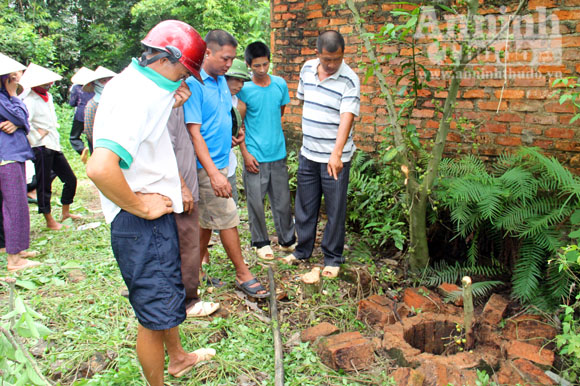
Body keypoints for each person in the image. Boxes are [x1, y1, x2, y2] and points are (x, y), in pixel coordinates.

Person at [86, 20, 215, 385]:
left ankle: (178, 357)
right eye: (183, 72)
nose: (184, 81)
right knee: (153, 312)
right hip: (140, 222)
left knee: (166, 293)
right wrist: (139, 206)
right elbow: (99, 167)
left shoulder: (143, 87)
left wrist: (168, 102)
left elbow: (143, 136)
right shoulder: (136, 97)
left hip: (153, 218)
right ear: (164, 59)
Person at [184, 30, 269, 298]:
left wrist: (234, 136)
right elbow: (194, 132)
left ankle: (193, 272)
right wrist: (213, 174)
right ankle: (243, 273)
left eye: (232, 59)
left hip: (221, 160)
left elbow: (219, 116)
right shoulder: (195, 84)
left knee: (206, 222)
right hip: (206, 167)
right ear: (207, 52)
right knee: (228, 218)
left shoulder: (221, 80)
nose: (229, 64)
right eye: (225, 58)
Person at [282, 30, 360, 278]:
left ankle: (333, 257)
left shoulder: (349, 80)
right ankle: (302, 250)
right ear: (318, 54)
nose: (331, 64)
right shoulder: (306, 69)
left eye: (336, 59)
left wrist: (336, 153)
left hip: (334, 158)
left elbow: (347, 117)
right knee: (305, 205)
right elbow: (305, 102)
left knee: (335, 208)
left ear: (342, 55)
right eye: (327, 60)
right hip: (308, 153)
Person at [238, 42, 296, 261]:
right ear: (248, 65)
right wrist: (245, 152)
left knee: (282, 201)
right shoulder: (244, 89)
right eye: (256, 66)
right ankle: (260, 242)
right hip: (254, 155)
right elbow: (239, 124)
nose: (262, 69)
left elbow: (279, 113)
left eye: (265, 64)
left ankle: (287, 240)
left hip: (277, 152)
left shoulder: (280, 84)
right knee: (255, 201)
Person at [167, 105, 220, 317]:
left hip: (184, 185)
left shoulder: (177, 104)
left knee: (186, 240)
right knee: (187, 242)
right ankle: (188, 301)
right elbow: (166, 150)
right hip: (180, 188)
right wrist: (182, 186)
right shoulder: (170, 107)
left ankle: (179, 295)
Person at [20, 63, 80, 230]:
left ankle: (65, 212)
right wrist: (38, 135)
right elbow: (25, 123)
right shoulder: (30, 100)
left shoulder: (48, 97)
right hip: (41, 146)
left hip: (53, 145)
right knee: (44, 184)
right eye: (45, 82)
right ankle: (49, 220)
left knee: (70, 179)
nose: (49, 85)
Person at [0, 53, 41, 271]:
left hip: (12, 154)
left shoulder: (7, 98)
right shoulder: (4, 97)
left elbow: (22, 120)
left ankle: (16, 248)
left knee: (15, 205)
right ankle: (14, 260)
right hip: (6, 157)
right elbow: (21, 117)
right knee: (15, 205)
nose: (18, 77)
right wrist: (13, 93)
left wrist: (18, 124)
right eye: (14, 75)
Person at [82, 66, 116, 154]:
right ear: (95, 84)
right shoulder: (92, 105)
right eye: (103, 81)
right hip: (102, 148)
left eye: (109, 80)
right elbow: (89, 131)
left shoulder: (118, 100)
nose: (106, 83)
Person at [68, 67, 94, 163]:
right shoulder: (94, 86)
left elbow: (72, 103)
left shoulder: (76, 87)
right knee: (92, 138)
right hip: (93, 113)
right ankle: (94, 157)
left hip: (80, 114)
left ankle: (81, 149)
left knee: (74, 137)